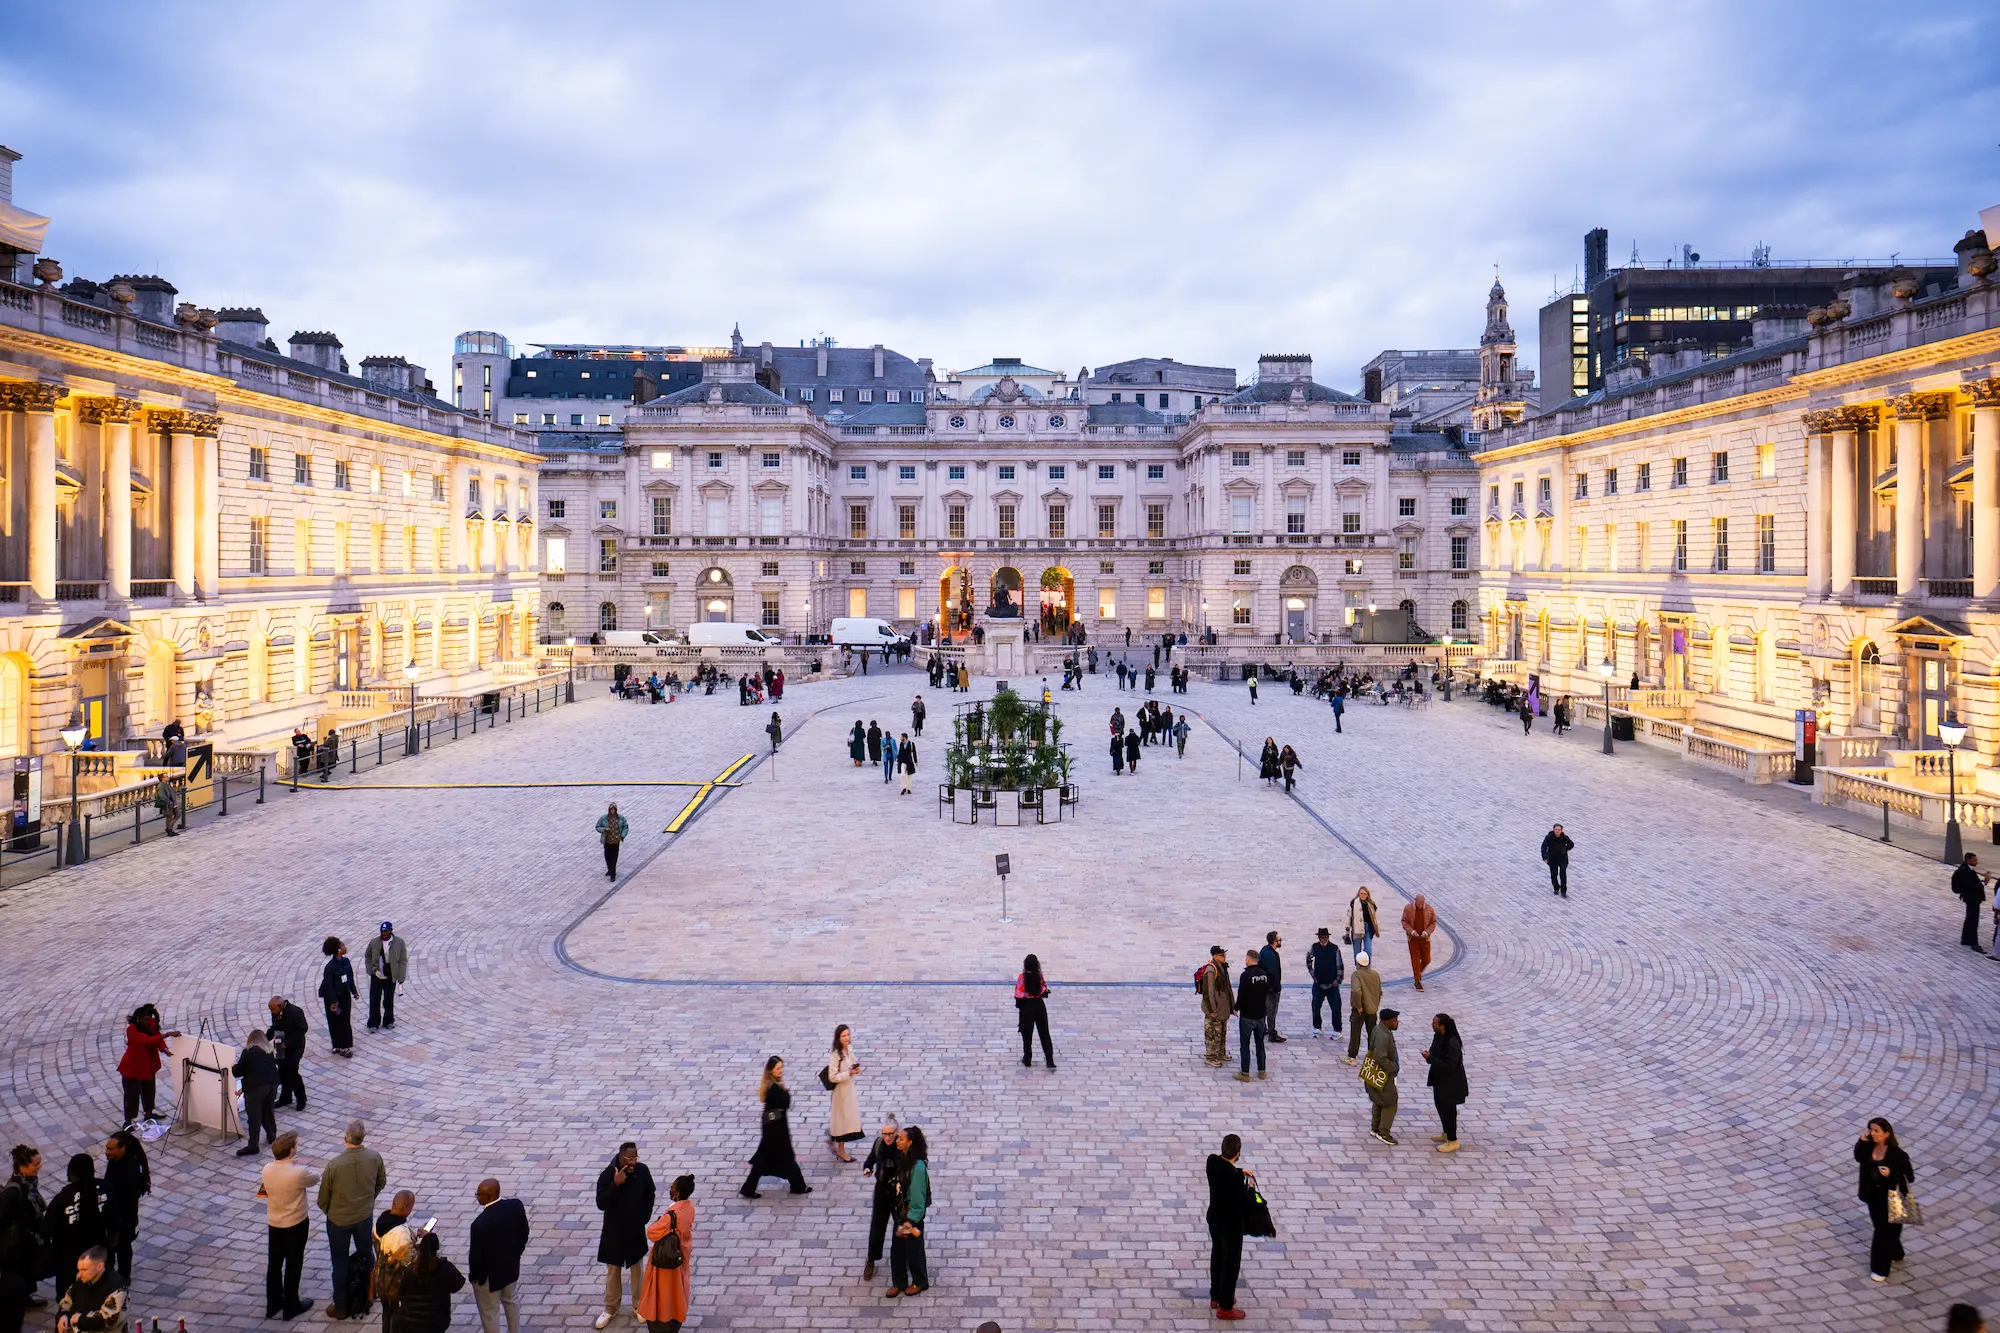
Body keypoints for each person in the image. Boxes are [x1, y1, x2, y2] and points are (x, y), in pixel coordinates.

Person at [318, 1120, 387, 1320]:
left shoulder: (335, 1164)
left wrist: (332, 1212)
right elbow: (381, 1182)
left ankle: (341, 1306)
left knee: (339, 1262)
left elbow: (323, 1197)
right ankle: (369, 1294)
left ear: (345, 1138)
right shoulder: (374, 1157)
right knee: (367, 1254)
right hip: (364, 1216)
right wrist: (368, 1200)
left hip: (339, 1220)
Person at [594, 1142, 655, 1327]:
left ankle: (639, 1305)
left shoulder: (642, 1171)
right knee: (613, 1270)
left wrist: (644, 1217)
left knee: (637, 1267)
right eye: (629, 1158)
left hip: (634, 1228)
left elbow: (649, 1193)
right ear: (621, 1156)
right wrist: (615, 1184)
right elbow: (601, 1202)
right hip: (614, 1231)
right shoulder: (607, 1175)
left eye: (635, 1157)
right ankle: (611, 1308)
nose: (633, 1162)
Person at [260, 1132, 318, 1320]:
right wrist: (298, 1165)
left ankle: (273, 1303)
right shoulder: (298, 1172)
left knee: (274, 1264)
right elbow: (315, 1177)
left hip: (275, 1223)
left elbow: (265, 1191)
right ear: (292, 1150)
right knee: (294, 1263)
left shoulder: (267, 1169)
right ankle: (291, 1305)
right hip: (295, 1223)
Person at [1853, 1117, 1915, 1282]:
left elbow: (1909, 1176)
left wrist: (1891, 1174)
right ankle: (1896, 1252)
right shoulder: (1868, 1147)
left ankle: (1879, 1269)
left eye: (1876, 1131)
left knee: (1882, 1232)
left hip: (1892, 1197)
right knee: (1885, 1228)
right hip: (1873, 1196)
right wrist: (1862, 1140)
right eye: (1870, 1130)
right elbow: (1858, 1157)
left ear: (1886, 1134)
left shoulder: (1898, 1155)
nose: (1872, 1133)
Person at [739, 1058, 811, 1198]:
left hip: (773, 1125)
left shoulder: (771, 1085)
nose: (781, 1071)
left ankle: (797, 1185)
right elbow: (786, 1103)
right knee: (781, 1157)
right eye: (778, 1068)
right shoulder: (773, 1088)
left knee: (769, 1158)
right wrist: (786, 1093)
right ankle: (798, 1186)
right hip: (776, 1128)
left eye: (781, 1068)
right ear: (771, 1070)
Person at [467, 1179, 528, 1333]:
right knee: (511, 1301)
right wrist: (516, 1254)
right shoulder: (515, 1206)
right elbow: (524, 1233)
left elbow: (476, 1258)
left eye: (478, 1194)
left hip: (489, 1278)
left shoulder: (479, 1224)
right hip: (510, 1268)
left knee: (490, 1313)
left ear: (487, 1197)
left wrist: (476, 1278)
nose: (477, 1197)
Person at [637, 1174, 694, 1333]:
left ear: (677, 1193)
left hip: (665, 1263)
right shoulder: (689, 1208)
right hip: (681, 1258)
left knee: (663, 1293)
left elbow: (652, 1232)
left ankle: (662, 1321)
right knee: (678, 1291)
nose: (670, 1188)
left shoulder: (671, 1217)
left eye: (673, 1187)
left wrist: (659, 1221)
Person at [44, 1157, 104, 1299]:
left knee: (66, 1292)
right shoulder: (104, 1190)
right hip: (94, 1252)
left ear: (71, 1172)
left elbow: (47, 1227)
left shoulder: (63, 1198)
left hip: (67, 1255)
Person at [1206, 1134, 1251, 1320]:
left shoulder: (1212, 1162)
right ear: (1238, 1154)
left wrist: (1240, 1172)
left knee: (1217, 1255)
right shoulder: (1234, 1180)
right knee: (1231, 1263)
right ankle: (1225, 1307)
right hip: (1230, 1226)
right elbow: (1241, 1202)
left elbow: (1224, 1170)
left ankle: (1215, 1295)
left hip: (1214, 1220)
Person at [115, 1005, 177, 1128]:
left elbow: (156, 1036)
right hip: (133, 1066)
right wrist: (168, 1034)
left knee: (149, 1090)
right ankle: (128, 1121)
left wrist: (164, 1049)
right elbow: (147, 1040)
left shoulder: (151, 1022)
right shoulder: (131, 1029)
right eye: (146, 1020)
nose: (148, 1022)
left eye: (149, 1019)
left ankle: (149, 1114)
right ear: (138, 1018)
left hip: (148, 1064)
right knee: (131, 1094)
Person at [886, 1126, 929, 1299]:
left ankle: (919, 1281)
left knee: (913, 1250)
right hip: (901, 1215)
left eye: (901, 1139)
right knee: (897, 1249)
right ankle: (899, 1282)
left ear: (910, 1142)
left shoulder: (917, 1167)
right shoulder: (902, 1158)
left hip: (910, 1219)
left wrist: (911, 1221)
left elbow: (918, 1198)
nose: (897, 1141)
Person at [98, 1133, 146, 1283]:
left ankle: (123, 1275)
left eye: (111, 1149)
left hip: (123, 1215)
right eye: (107, 1148)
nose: (107, 1152)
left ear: (123, 1148)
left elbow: (126, 1197)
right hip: (117, 1213)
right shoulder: (116, 1161)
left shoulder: (128, 1169)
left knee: (123, 1246)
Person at [1418, 1013, 1469, 1152]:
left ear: (1442, 1026)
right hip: (1440, 1080)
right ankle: (1446, 1133)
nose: (1432, 1025)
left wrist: (1431, 1058)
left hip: (1450, 1084)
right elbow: (1435, 1056)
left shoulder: (1452, 1042)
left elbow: (1450, 1065)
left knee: (1449, 1111)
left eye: (1435, 1023)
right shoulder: (1438, 1036)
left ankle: (1453, 1141)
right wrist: (1429, 1056)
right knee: (1440, 1106)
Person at [395, 1232, 465, 1333]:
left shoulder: (411, 1269)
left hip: (410, 1321)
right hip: (435, 1322)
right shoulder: (444, 1268)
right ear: (437, 1248)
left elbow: (401, 1292)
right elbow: (458, 1284)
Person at [860, 1120, 902, 1281]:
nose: (887, 1137)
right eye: (884, 1134)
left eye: (891, 1134)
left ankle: (900, 1258)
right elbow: (870, 1159)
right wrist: (868, 1168)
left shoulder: (902, 1146)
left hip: (898, 1193)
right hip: (882, 1190)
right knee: (877, 1225)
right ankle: (871, 1258)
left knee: (899, 1226)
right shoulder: (879, 1144)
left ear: (897, 1133)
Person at [232, 1031, 283, 1157]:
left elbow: (239, 1072)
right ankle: (272, 1135)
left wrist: (234, 1066)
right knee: (268, 1110)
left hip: (256, 1088)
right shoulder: (269, 1050)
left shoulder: (248, 1052)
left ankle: (253, 1145)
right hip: (272, 1084)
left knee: (254, 1117)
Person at [53, 1248, 122, 1333]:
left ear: (99, 1266)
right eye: (79, 1270)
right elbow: (68, 1299)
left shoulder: (116, 1286)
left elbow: (108, 1319)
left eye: (84, 1270)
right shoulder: (84, 1279)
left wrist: (80, 1319)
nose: (79, 1274)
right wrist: (63, 1315)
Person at [826, 1025, 863, 1162]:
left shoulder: (849, 1050)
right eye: (843, 1036)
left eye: (848, 1035)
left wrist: (855, 1070)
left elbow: (852, 1063)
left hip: (849, 1091)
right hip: (841, 1093)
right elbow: (832, 1077)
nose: (847, 1038)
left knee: (846, 1119)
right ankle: (841, 1151)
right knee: (842, 1121)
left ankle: (833, 1138)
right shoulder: (836, 1055)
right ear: (838, 1038)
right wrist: (849, 1073)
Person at [1231, 948, 1269, 1083]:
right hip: (1260, 1015)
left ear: (1248, 959)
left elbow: (1242, 995)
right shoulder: (1264, 974)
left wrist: (1236, 1008)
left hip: (1248, 1016)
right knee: (1260, 1044)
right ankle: (1262, 1071)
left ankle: (1245, 1073)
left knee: (1245, 1044)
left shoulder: (1246, 975)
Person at [1366, 1008, 1402, 1144]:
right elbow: (1380, 1058)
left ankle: (1375, 1128)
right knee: (1390, 1102)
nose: (1397, 1022)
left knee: (1378, 1100)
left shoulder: (1379, 1029)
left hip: (1376, 1073)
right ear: (1386, 1021)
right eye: (1394, 1020)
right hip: (1384, 1074)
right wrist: (1394, 1067)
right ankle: (1384, 1132)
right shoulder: (1384, 1036)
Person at [364, 922, 408, 1031]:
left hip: (390, 976)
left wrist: (401, 976)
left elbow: (403, 961)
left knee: (388, 1000)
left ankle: (388, 1020)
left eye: (386, 931)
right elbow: (368, 956)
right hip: (377, 976)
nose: (384, 933)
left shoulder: (399, 942)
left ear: (391, 931)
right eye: (382, 931)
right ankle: (373, 1022)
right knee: (374, 1000)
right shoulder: (374, 942)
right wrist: (371, 970)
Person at [269, 995, 309, 1111]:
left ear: (281, 1006)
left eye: (273, 1009)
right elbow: (274, 1027)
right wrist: (265, 1038)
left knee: (292, 1072)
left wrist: (289, 1043)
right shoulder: (276, 1013)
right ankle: (286, 1097)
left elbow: (302, 1029)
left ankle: (301, 1098)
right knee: (282, 1070)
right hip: (279, 1043)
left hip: (294, 1047)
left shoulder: (295, 1012)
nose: (272, 1012)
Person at [320, 938, 358, 1059]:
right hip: (333, 998)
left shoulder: (346, 961)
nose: (345, 947)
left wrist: (354, 991)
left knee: (345, 1021)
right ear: (338, 949)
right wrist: (333, 1002)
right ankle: (337, 1045)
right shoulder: (330, 968)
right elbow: (328, 986)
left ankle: (345, 1045)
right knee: (334, 1021)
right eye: (342, 945)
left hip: (344, 996)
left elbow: (350, 977)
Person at [1015, 955, 1054, 1068]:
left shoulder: (1022, 977)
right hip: (1039, 1005)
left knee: (1027, 1034)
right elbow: (1044, 991)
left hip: (1027, 1007)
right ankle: (1049, 1060)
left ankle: (1027, 1058)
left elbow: (1018, 995)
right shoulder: (1039, 976)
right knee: (1044, 1033)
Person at [1196, 946, 1233, 1067]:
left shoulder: (1223, 967)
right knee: (1212, 1033)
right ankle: (1211, 1056)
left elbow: (1228, 988)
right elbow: (1208, 992)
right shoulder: (1211, 970)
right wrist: (1212, 1010)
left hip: (1223, 1008)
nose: (1224, 957)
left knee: (1222, 1032)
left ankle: (1220, 1053)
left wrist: (1232, 1006)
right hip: (1214, 1009)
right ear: (1215, 956)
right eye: (1222, 955)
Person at [1345, 951, 1382, 1066]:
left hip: (1360, 1010)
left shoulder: (1356, 975)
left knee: (1355, 1033)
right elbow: (1379, 991)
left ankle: (1352, 1057)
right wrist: (1375, 1005)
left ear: (1357, 962)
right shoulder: (1375, 974)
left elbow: (1356, 991)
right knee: (1372, 1033)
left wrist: (1358, 1005)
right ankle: (1372, 1057)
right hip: (1372, 1009)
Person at [1306, 927, 1344, 1038]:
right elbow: (1308, 958)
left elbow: (1340, 965)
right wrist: (1312, 973)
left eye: (1324, 937)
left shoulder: (1334, 949)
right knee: (1315, 1007)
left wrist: (1337, 981)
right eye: (1320, 937)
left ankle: (1337, 1029)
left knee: (1336, 1008)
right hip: (1318, 984)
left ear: (1328, 937)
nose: (1322, 939)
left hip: (1332, 984)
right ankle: (1317, 1027)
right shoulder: (1315, 947)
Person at [1401, 895, 1438, 991]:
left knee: (1427, 959)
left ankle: (1417, 974)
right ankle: (1417, 981)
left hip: (1425, 939)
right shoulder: (1408, 909)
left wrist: (1426, 932)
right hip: (1413, 939)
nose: (1420, 905)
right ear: (1415, 901)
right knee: (1416, 961)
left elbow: (1433, 922)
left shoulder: (1429, 909)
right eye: (1418, 904)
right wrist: (1412, 931)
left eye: (1422, 904)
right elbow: (1404, 922)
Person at [1953, 853, 1988, 952]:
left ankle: (1965, 938)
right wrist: (1984, 882)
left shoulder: (1966, 869)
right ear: (1968, 860)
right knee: (1973, 920)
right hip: (1972, 898)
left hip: (1970, 898)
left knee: (1969, 918)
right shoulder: (1966, 871)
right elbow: (1970, 887)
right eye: (1974, 860)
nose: (1977, 862)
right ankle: (1973, 942)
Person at [1257, 932, 1287, 1042]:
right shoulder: (1271, 955)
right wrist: (1276, 988)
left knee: (1264, 1009)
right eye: (1279, 940)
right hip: (1271, 988)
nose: (1280, 942)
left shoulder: (1264, 950)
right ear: (1274, 942)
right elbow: (1273, 973)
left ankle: (1263, 1029)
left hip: (1264, 987)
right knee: (1271, 1011)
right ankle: (1272, 1033)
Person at [1345, 887, 1379, 962]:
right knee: (1357, 952)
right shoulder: (1353, 903)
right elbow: (1349, 916)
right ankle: (1358, 969)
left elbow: (1374, 918)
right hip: (1356, 929)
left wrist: (1376, 928)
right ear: (1358, 894)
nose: (1363, 895)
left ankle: (1367, 969)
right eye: (1361, 893)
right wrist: (1347, 930)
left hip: (1368, 929)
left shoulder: (1371, 904)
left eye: (1365, 894)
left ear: (1367, 895)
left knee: (1368, 950)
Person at [1541, 823, 1574, 897]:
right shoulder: (1549, 837)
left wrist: (1565, 849)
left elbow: (1571, 844)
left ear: (1561, 830)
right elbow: (1544, 847)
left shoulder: (1564, 837)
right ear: (1553, 830)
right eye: (1556, 829)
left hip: (1563, 858)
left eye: (1559, 830)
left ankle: (1563, 891)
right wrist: (1545, 857)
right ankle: (1556, 887)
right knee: (1554, 873)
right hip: (1552, 858)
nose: (1557, 831)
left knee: (1563, 873)